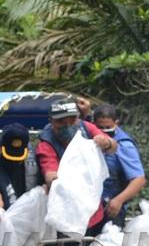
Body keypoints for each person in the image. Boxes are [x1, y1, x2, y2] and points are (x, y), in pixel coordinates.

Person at [37, 99, 117, 234]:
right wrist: (55, 182)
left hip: (94, 211)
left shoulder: (86, 128)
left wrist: (106, 142)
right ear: (51, 121)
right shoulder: (46, 144)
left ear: (78, 118)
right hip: (67, 217)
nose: (67, 126)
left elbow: (113, 146)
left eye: (72, 120)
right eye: (61, 122)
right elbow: (50, 173)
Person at [92, 104, 146, 226]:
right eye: (100, 127)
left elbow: (139, 179)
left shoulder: (124, 145)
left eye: (108, 127)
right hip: (88, 207)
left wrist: (118, 200)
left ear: (116, 123)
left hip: (109, 208)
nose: (104, 131)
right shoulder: (89, 138)